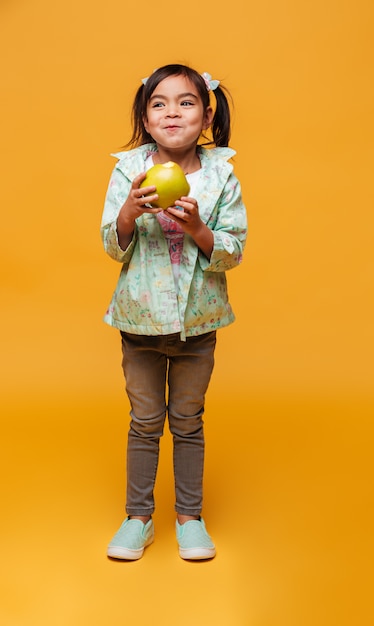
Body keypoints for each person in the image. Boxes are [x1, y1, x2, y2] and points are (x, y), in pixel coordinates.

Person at [101, 63, 247, 561]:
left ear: (206, 115)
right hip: (138, 321)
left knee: (187, 420)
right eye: (159, 103)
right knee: (144, 421)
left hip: (198, 326)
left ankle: (190, 517)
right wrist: (129, 212)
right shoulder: (129, 171)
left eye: (186, 103)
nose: (172, 113)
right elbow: (112, 246)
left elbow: (234, 248)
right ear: (145, 116)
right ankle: (137, 518)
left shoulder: (221, 175)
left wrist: (200, 229)